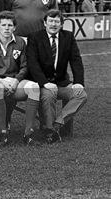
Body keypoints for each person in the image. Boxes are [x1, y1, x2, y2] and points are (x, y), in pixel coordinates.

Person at [26, 9, 87, 144]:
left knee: (81, 95)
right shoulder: (35, 37)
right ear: (45, 23)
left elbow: (76, 60)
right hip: (43, 83)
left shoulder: (68, 37)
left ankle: (56, 124)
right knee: (48, 95)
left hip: (62, 82)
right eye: (51, 21)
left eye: (57, 22)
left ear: (61, 24)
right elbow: (32, 63)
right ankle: (49, 130)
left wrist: (78, 82)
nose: (53, 24)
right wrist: (44, 82)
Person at [0, 11, 41, 146]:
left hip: (14, 81)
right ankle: (2, 133)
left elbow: (25, 66)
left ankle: (29, 134)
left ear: (15, 27)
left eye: (10, 25)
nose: (7, 28)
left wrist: (16, 80)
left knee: (34, 88)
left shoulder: (20, 42)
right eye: (3, 25)